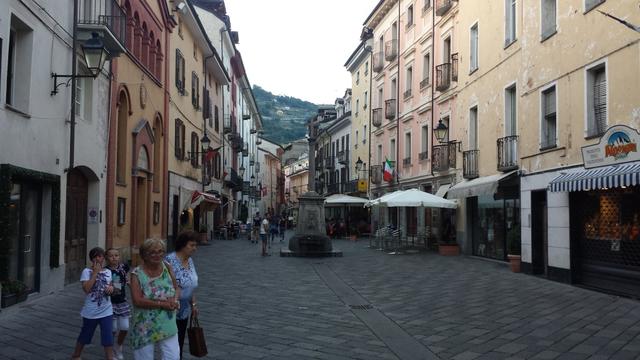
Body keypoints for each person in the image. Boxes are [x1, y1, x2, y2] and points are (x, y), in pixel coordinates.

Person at [129, 238, 180, 359]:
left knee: (173, 357)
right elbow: (137, 300)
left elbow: (177, 288)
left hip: (167, 320)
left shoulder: (168, 267)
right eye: (152, 252)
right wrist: (162, 304)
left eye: (161, 251)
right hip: (145, 323)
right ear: (144, 255)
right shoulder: (136, 274)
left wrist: (175, 299)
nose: (157, 255)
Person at [71, 247, 115, 360]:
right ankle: (76, 355)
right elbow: (86, 289)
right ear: (92, 259)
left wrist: (111, 288)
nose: (98, 259)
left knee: (108, 335)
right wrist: (95, 274)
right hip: (91, 311)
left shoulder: (108, 271)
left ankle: (110, 357)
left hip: (106, 310)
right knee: (85, 335)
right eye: (96, 256)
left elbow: (111, 286)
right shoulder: (86, 272)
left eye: (100, 256)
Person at [165, 231, 199, 359]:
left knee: (179, 342)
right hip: (170, 309)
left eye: (195, 245)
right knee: (170, 345)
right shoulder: (169, 261)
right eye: (192, 245)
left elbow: (191, 284)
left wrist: (194, 304)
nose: (195, 248)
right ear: (183, 245)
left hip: (184, 310)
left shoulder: (189, 260)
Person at [106, 248, 131, 360]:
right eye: (111, 256)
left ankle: (118, 347)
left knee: (125, 327)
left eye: (116, 255)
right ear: (107, 258)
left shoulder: (123, 267)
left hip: (122, 302)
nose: (114, 258)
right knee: (113, 329)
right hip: (110, 304)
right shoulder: (105, 271)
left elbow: (127, 278)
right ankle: (110, 352)